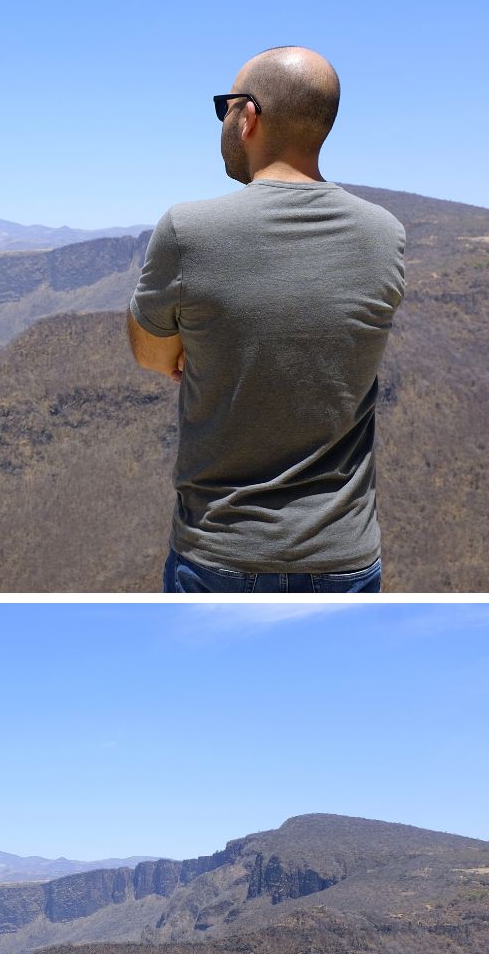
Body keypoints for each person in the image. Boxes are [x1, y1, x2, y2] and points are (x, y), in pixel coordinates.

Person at [128, 45, 406, 593]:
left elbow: (152, 354)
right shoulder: (385, 235)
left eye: (224, 108)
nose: (225, 121)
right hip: (345, 558)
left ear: (248, 115)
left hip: (218, 554)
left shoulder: (188, 231)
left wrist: (201, 345)